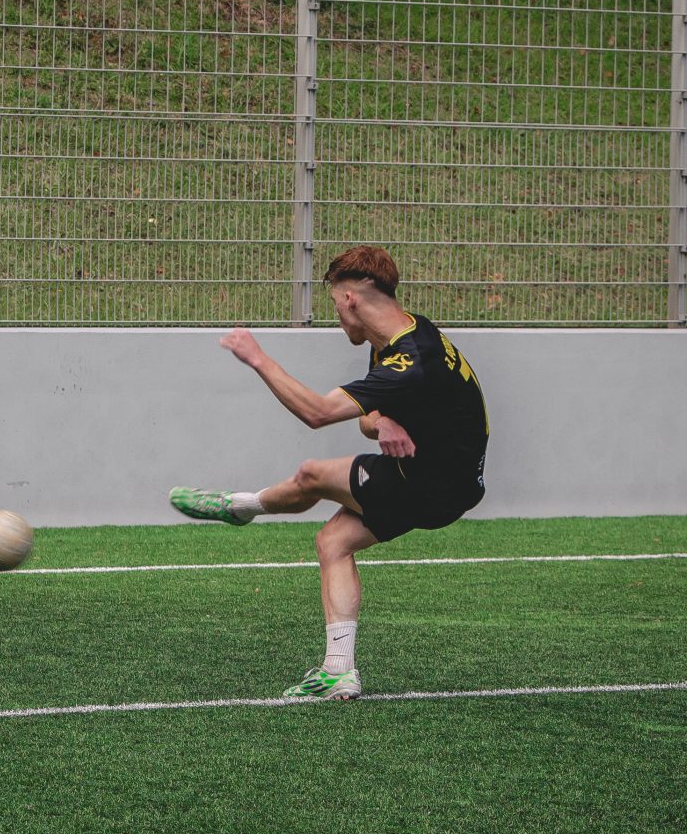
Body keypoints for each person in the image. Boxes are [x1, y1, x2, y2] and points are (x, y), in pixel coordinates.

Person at [170, 245, 490, 699]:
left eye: (335, 302)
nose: (335, 313)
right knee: (333, 542)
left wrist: (257, 359)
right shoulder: (405, 334)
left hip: (431, 481)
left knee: (312, 474)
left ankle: (240, 506)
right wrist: (385, 422)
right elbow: (367, 420)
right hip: (444, 480)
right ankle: (339, 671)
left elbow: (318, 413)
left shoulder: (410, 362)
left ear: (352, 299)